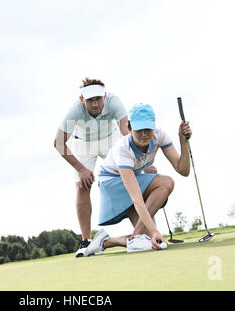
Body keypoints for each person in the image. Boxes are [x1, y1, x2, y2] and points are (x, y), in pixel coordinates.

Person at [53, 78, 157, 257]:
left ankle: (149, 232)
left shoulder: (114, 102)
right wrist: (81, 169)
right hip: (83, 143)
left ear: (105, 96)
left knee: (133, 177)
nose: (95, 104)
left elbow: (127, 132)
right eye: (90, 100)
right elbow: (59, 143)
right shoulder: (75, 110)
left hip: (111, 139)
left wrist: (144, 162)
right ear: (81, 100)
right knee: (82, 185)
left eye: (98, 99)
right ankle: (86, 240)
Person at [85, 103, 192, 254]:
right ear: (129, 128)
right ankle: (135, 237)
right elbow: (137, 199)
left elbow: (183, 170)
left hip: (131, 180)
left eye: (147, 129)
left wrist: (183, 142)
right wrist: (155, 231)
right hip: (111, 184)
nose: (144, 134)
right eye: (139, 129)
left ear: (153, 127)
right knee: (166, 182)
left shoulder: (159, 135)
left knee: (147, 240)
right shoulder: (123, 149)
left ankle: (106, 242)